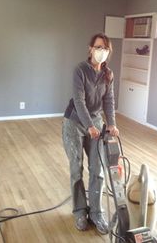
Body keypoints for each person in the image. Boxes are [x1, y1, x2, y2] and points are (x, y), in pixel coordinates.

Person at [62, 33, 119, 234]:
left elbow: (109, 101)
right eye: (98, 47)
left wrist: (111, 123)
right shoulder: (80, 70)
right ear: (90, 49)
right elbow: (79, 101)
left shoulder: (108, 75)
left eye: (105, 49)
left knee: (98, 168)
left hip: (95, 122)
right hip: (75, 122)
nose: (101, 52)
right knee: (76, 168)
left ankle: (96, 212)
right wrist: (89, 126)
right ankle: (79, 211)